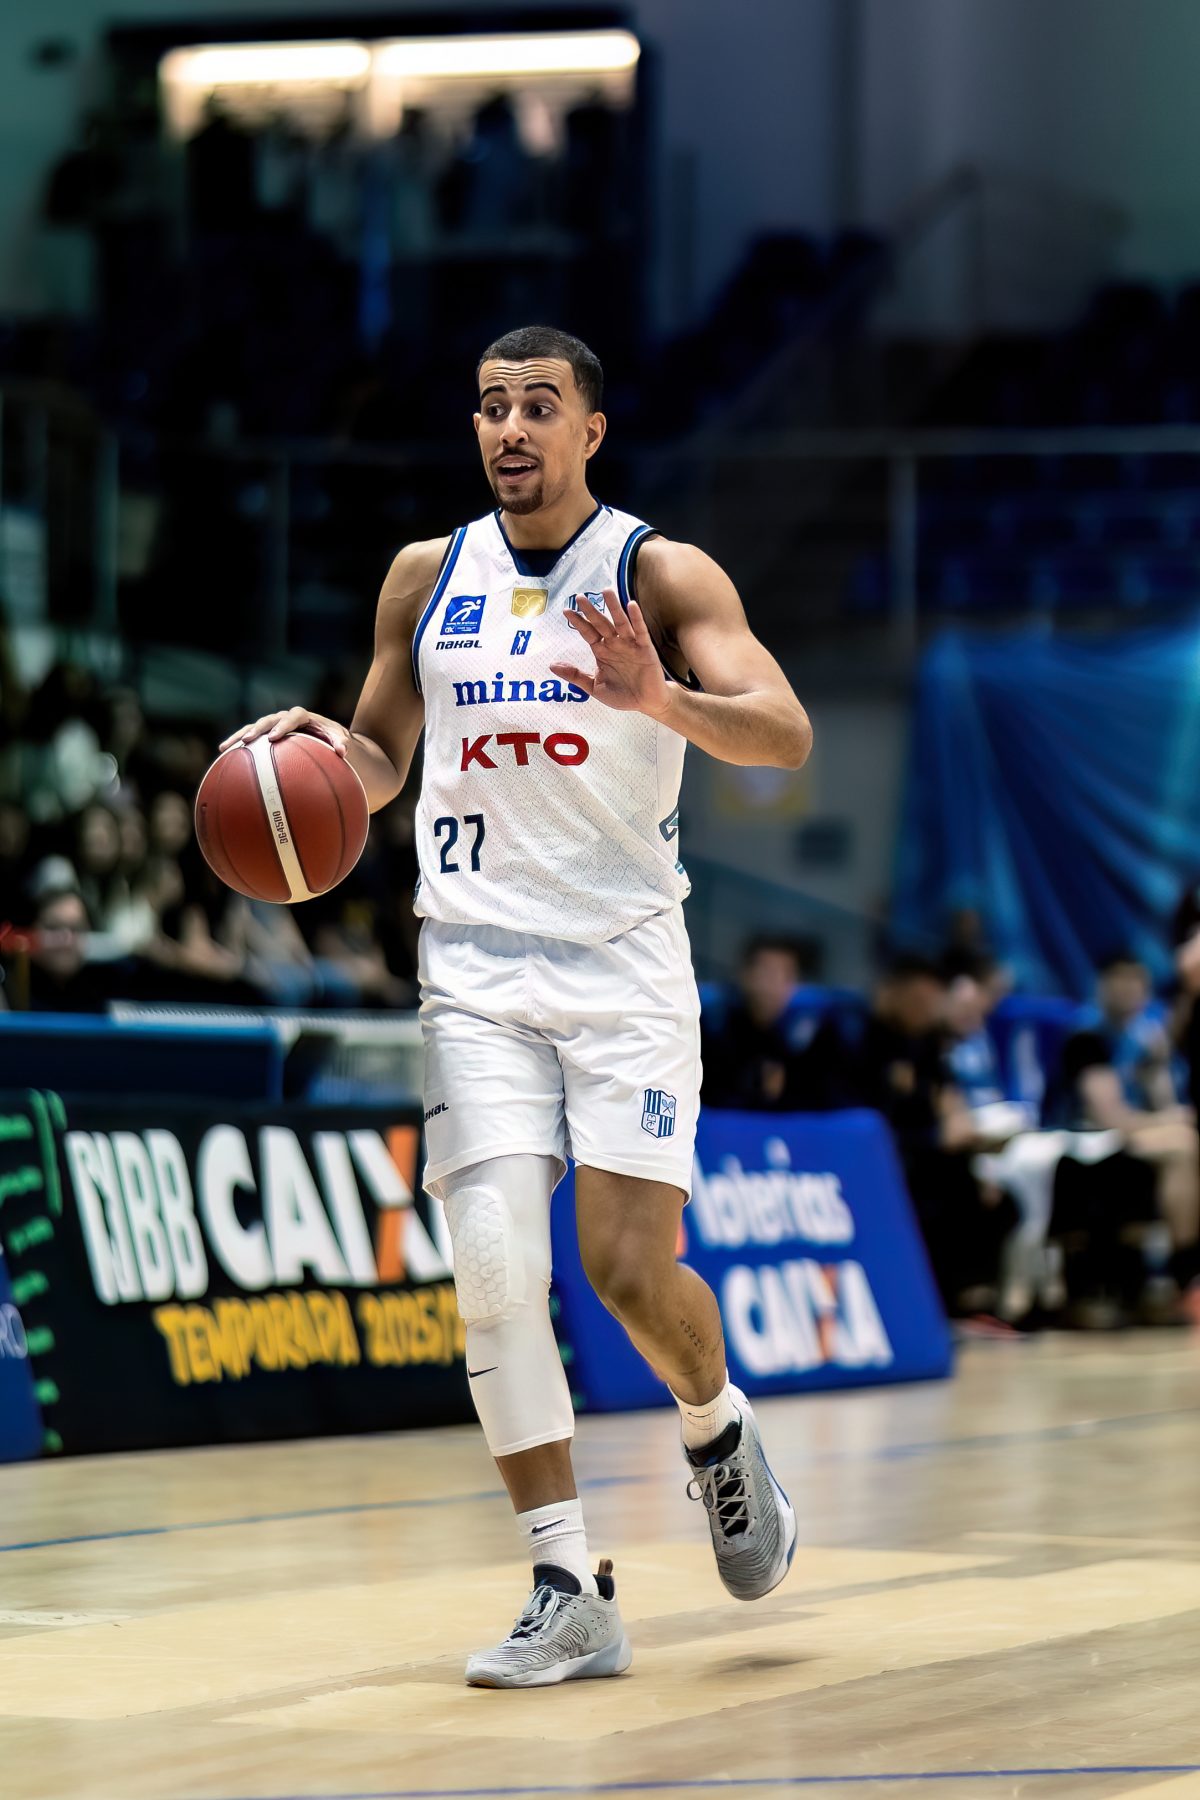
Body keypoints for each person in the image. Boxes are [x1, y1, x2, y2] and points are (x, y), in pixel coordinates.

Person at [222, 324, 812, 1687]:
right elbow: (380, 757)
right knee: (491, 1265)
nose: (510, 429)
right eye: (491, 407)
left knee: (625, 1274)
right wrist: (309, 756)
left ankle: (717, 1426)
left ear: (591, 430)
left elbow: (783, 733)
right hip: (477, 967)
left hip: (623, 965)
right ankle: (566, 1585)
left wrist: (660, 696)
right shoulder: (425, 576)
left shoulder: (660, 573)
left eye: (539, 406)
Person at [808, 955, 1018, 1319]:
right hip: (863, 1164)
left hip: (921, 1156)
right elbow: (851, 1127)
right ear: (890, 993)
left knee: (995, 1199)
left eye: (931, 1003)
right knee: (940, 1197)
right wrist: (936, 1136)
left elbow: (946, 1102)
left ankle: (971, 1304)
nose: (925, 1012)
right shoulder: (849, 1036)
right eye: (917, 1002)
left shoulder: (926, 1043)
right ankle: (934, 1307)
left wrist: (968, 1153)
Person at [701, 934, 816, 1109]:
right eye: (767, 973)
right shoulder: (711, 1029)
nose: (774, 985)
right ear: (746, 975)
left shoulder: (809, 1037)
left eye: (785, 975)